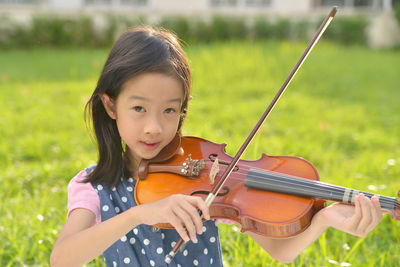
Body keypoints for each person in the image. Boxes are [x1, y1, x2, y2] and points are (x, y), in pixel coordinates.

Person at [50, 26, 384, 267]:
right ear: (110, 106)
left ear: (183, 109)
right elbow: (62, 259)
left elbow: (281, 252)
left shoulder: (205, 177)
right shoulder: (93, 186)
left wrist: (323, 220)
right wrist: (138, 215)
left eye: (170, 110)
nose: (154, 127)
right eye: (139, 109)